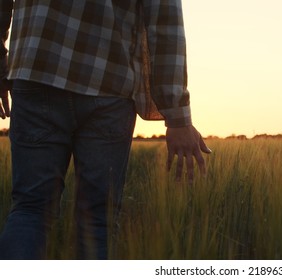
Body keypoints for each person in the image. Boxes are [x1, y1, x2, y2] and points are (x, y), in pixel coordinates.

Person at [0, 0, 211, 259]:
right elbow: (165, 22)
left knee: (30, 210)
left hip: (37, 71)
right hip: (109, 84)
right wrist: (177, 116)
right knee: (97, 221)